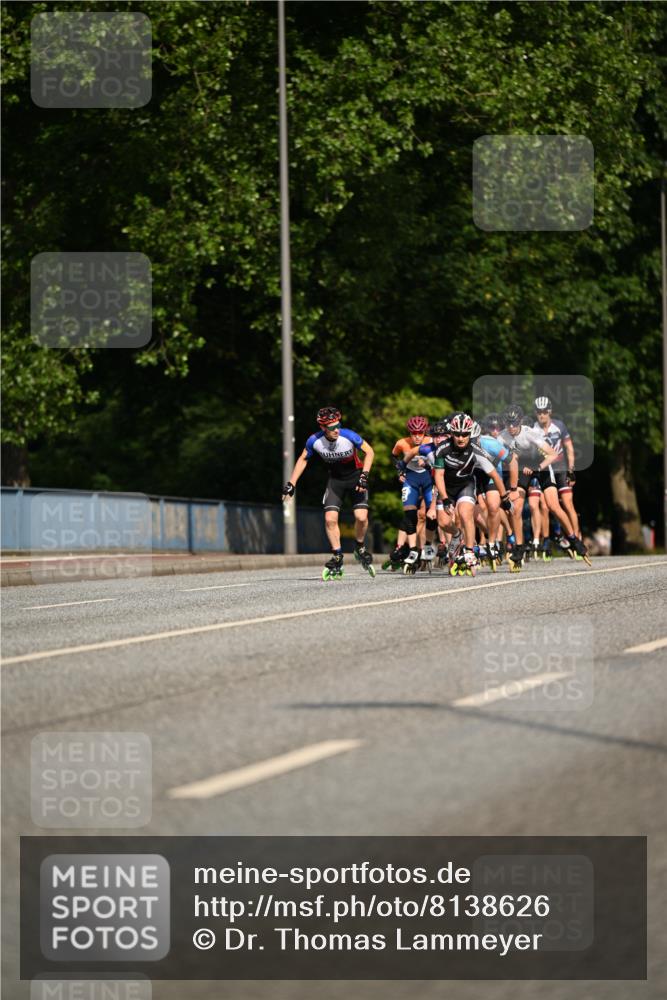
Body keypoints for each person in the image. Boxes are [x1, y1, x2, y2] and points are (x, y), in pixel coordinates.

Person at [282, 406, 375, 579]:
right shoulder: (314, 441)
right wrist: (291, 483)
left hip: (356, 478)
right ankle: (337, 555)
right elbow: (303, 459)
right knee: (330, 519)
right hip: (336, 481)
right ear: (323, 427)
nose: (337, 430)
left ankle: (359, 547)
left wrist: (364, 476)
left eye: (338, 425)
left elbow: (369, 452)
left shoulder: (349, 435)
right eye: (332, 427)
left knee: (361, 517)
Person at [499, 404, 588, 570]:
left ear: (520, 422)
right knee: (516, 508)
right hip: (523, 469)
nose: (511, 427)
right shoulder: (502, 436)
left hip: (542, 466)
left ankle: (573, 539)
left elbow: (553, 454)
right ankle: (519, 547)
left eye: (514, 423)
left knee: (553, 506)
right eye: (508, 423)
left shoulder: (530, 433)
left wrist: (538, 468)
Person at [428, 412, 513, 576]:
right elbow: (438, 476)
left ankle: (469, 552)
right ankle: (457, 535)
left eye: (465, 434)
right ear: (452, 433)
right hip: (446, 488)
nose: (461, 438)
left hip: (465, 485)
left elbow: (494, 475)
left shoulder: (475, 450)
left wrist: (505, 498)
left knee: (465, 513)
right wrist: (445, 499)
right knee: (444, 523)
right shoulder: (442, 449)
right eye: (457, 434)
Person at [390, 415, 437, 573]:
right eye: (413, 433)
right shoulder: (402, 443)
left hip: (428, 478)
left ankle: (428, 546)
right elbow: (394, 456)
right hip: (411, 479)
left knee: (431, 514)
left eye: (420, 433)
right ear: (409, 433)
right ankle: (413, 550)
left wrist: (429, 466)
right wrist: (399, 472)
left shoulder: (431, 441)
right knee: (410, 514)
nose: (417, 436)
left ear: (425, 432)